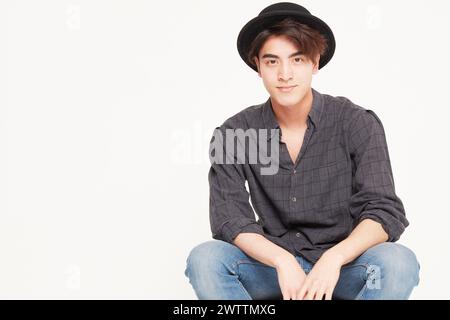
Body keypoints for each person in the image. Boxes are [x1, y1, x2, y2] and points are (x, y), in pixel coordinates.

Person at [184, 2, 420, 300]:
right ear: (257, 65)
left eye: (297, 59)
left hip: (343, 268)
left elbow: (383, 211)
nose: (285, 74)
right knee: (206, 259)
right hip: (272, 270)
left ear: (315, 63)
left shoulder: (356, 122)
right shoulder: (234, 133)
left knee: (397, 262)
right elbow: (229, 218)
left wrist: (334, 259)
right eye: (272, 62)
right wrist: (282, 260)